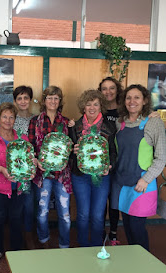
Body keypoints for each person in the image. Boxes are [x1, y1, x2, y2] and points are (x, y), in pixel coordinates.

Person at [111, 84, 166, 251]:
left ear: (145, 101)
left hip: (141, 184)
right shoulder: (120, 123)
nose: (132, 101)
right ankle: (134, 262)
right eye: (128, 98)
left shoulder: (153, 123)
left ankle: (145, 263)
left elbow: (161, 156)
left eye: (137, 97)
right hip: (121, 183)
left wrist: (146, 179)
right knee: (127, 226)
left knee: (137, 227)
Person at [0, 102, 29, 265]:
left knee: (16, 218)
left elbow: (28, 158)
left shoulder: (22, 138)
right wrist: (1, 169)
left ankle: (16, 250)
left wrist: (33, 162)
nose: (8, 120)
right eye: (4, 117)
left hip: (19, 187)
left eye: (11, 117)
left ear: (15, 119)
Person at [69, 89, 117, 247]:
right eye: (88, 104)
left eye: (96, 104)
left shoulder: (110, 127)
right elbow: (67, 153)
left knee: (97, 216)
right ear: (83, 106)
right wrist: (73, 151)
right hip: (80, 176)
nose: (92, 107)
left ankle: (97, 247)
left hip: (102, 176)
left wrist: (110, 165)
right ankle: (83, 246)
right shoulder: (74, 127)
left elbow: (114, 152)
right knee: (83, 214)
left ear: (101, 106)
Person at [28, 86, 71, 249]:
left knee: (65, 214)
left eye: (56, 98)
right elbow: (31, 146)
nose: (53, 101)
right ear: (44, 101)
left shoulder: (67, 122)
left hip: (62, 175)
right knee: (42, 212)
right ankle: (43, 241)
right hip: (42, 174)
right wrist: (35, 159)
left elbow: (71, 147)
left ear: (60, 101)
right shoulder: (35, 121)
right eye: (50, 98)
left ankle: (64, 245)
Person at [98, 77, 123, 244]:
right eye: (104, 88)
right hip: (101, 162)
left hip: (120, 161)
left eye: (111, 88)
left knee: (114, 200)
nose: (108, 92)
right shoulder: (97, 109)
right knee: (101, 200)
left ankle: (113, 232)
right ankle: (100, 232)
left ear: (117, 90)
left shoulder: (124, 110)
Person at [12, 85, 36, 249]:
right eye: (19, 98)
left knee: (29, 205)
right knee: (16, 205)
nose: (23, 101)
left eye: (26, 98)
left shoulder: (36, 119)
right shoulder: (10, 119)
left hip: (31, 170)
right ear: (15, 101)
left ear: (30, 100)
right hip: (14, 168)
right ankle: (16, 238)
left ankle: (28, 236)